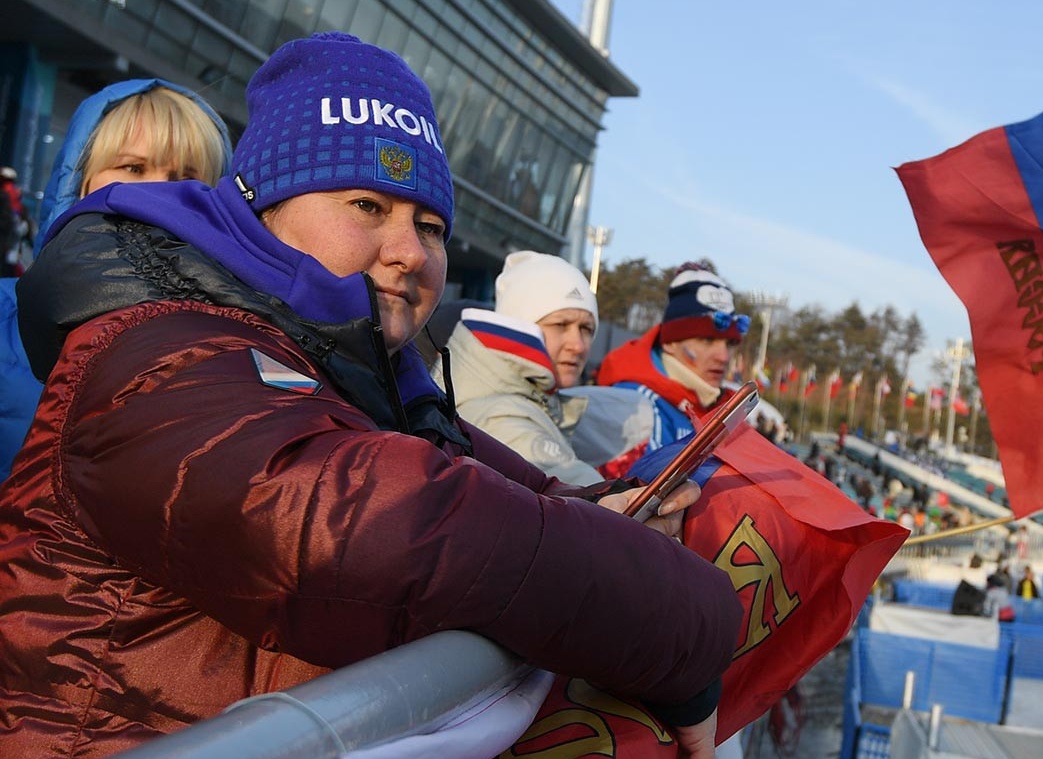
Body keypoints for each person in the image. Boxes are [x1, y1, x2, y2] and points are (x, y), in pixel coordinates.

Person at [0, 33, 740, 757]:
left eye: (429, 223)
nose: (411, 251)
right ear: (263, 210)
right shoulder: (158, 346)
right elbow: (355, 520)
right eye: (366, 206)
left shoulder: (366, 379)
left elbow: (506, 490)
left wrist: (609, 514)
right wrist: (680, 618)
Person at [0, 79, 232, 484]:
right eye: (133, 167)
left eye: (186, 177)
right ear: (81, 179)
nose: (159, 191)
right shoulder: (4, 319)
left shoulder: (239, 350)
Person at [444, 250, 651, 484]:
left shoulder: (530, 400)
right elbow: (592, 504)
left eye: (587, 329)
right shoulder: (501, 419)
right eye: (560, 324)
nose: (578, 345)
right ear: (519, 326)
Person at [598, 262, 748, 448]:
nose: (724, 357)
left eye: (730, 343)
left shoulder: (724, 410)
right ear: (670, 343)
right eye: (707, 340)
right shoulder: (637, 406)